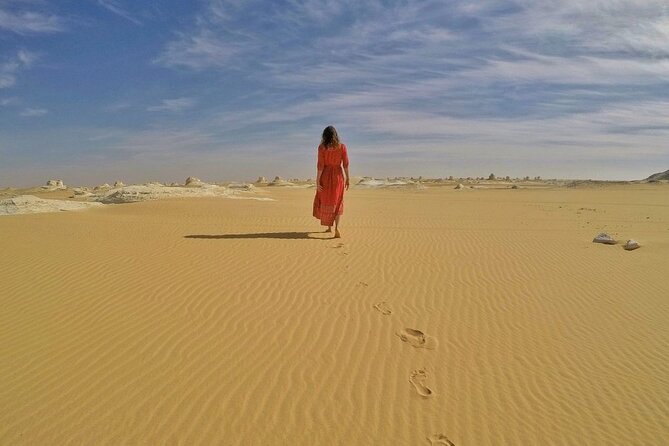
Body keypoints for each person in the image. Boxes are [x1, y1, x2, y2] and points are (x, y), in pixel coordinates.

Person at [312, 125, 350, 238]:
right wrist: (348, 178)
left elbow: (320, 166)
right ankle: (336, 228)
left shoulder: (322, 148)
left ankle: (329, 227)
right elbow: (346, 164)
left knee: (327, 201)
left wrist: (318, 180)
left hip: (325, 175)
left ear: (324, 135)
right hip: (338, 176)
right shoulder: (342, 147)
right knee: (337, 201)